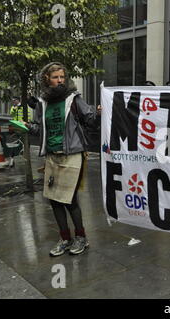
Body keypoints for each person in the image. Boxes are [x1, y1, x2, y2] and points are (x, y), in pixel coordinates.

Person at [25, 62, 101, 257]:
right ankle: (65, 238)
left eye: (62, 77)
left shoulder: (73, 99)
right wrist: (26, 127)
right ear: (46, 80)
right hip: (52, 155)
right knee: (53, 200)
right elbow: (40, 128)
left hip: (72, 155)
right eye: (55, 77)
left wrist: (100, 112)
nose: (59, 81)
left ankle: (81, 237)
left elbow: (91, 120)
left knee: (69, 199)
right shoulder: (42, 103)